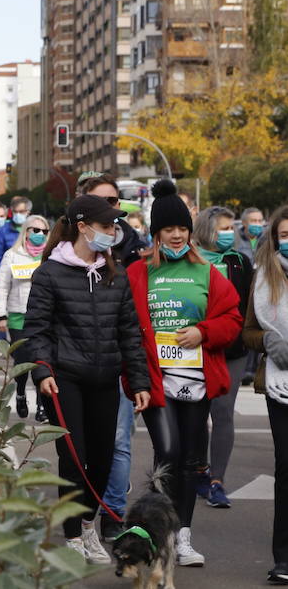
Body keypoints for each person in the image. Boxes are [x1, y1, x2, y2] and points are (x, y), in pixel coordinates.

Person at [24, 194, 151, 563]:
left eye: (116, 226)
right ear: (82, 226)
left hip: (105, 378)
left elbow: (129, 332)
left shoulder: (115, 275)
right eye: (107, 225)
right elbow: (38, 329)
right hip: (65, 379)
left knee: (102, 457)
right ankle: (72, 536)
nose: (114, 232)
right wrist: (43, 370)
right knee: (74, 458)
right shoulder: (49, 272)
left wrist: (139, 382)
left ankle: (87, 526)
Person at [125, 179, 243, 567]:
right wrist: (136, 378)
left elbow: (233, 319)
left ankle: (182, 538)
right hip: (159, 382)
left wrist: (202, 332)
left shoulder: (208, 273)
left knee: (191, 460)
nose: (176, 236)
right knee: (168, 453)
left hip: (197, 381)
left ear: (190, 233)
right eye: (168, 230)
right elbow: (125, 327)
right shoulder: (138, 273)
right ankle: (159, 532)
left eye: (181, 230)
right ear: (156, 233)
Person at [194, 205, 253, 510]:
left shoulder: (240, 262)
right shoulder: (191, 262)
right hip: (195, 349)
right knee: (195, 414)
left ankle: (217, 480)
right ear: (206, 230)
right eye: (223, 228)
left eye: (232, 228)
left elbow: (249, 306)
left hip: (232, 351)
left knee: (223, 412)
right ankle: (198, 471)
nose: (229, 234)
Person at [240, 205, 288, 584]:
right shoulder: (263, 278)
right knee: (286, 468)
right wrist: (268, 339)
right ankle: (283, 558)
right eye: (284, 236)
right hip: (279, 384)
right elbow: (248, 331)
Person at [0, 213, 51, 422]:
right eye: (36, 230)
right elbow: (1, 286)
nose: (40, 235)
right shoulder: (12, 255)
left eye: (44, 231)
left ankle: (42, 405)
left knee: (41, 360)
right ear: (26, 232)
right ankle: (20, 392)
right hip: (18, 315)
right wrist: (0, 315)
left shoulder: (50, 256)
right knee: (23, 359)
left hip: (43, 316)